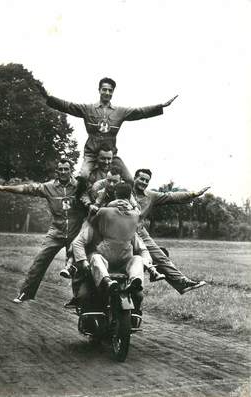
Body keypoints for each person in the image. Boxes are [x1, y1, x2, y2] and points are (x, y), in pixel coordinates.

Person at [38, 77, 178, 181]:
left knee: (129, 180)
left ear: (113, 93)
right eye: (104, 89)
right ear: (99, 90)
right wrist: (48, 97)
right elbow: (67, 106)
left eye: (110, 90)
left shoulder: (120, 111)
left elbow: (139, 112)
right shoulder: (87, 109)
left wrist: (160, 106)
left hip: (111, 156)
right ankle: (81, 207)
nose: (107, 92)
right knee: (84, 176)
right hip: (92, 153)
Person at [0, 158, 87, 303]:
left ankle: (78, 299)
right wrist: (4, 188)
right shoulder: (48, 187)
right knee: (39, 261)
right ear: (57, 171)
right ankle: (25, 293)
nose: (63, 172)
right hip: (56, 232)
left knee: (77, 264)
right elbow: (27, 188)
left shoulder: (79, 186)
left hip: (75, 232)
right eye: (60, 169)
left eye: (66, 169)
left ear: (70, 170)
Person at [121, 168, 209, 294]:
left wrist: (193, 194)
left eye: (147, 180)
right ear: (134, 178)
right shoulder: (124, 191)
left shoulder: (151, 196)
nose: (144, 182)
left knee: (161, 256)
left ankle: (182, 282)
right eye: (141, 179)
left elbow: (170, 196)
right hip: (120, 231)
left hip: (140, 231)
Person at [72, 183, 153, 314]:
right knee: (95, 262)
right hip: (104, 263)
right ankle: (108, 282)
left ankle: (134, 282)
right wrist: (83, 261)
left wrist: (147, 262)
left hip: (120, 264)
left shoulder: (105, 214)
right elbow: (78, 242)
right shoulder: (133, 216)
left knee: (137, 259)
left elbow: (142, 249)